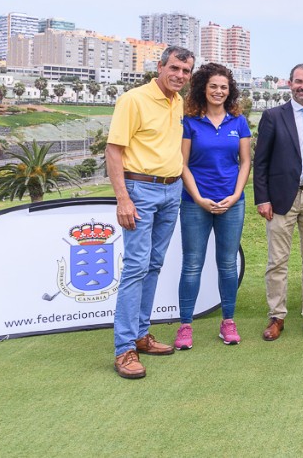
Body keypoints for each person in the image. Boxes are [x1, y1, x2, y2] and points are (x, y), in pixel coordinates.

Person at [107, 45, 195, 379]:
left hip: (171, 190)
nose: (180, 76)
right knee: (135, 267)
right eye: (174, 69)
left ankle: (142, 335)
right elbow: (114, 150)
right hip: (140, 191)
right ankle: (124, 349)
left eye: (186, 72)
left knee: (154, 265)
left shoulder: (178, 102)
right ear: (160, 66)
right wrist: (123, 199)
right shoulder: (133, 99)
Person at [253, 63, 303, 342]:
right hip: (280, 197)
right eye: (299, 81)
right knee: (278, 260)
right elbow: (260, 162)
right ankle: (277, 315)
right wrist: (262, 198)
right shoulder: (274, 116)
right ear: (289, 84)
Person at [174, 63, 251, 350]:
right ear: (203, 89)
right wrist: (197, 197)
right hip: (196, 203)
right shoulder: (190, 121)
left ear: (230, 92)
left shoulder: (238, 121)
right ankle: (185, 326)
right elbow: (182, 164)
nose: (219, 91)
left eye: (224, 87)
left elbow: (245, 163)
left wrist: (235, 195)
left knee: (228, 265)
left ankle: (228, 321)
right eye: (213, 86)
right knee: (192, 265)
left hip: (232, 203)